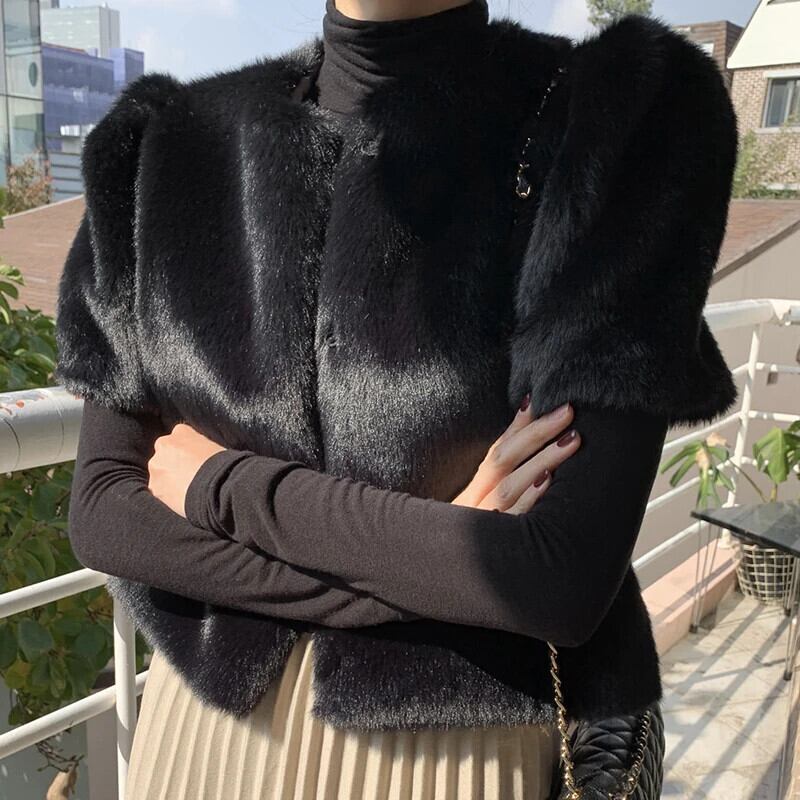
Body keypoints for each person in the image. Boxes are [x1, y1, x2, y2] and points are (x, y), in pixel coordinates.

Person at [55, 0, 738, 797]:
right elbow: (103, 511)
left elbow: (557, 578)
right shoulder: (164, 149)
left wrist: (221, 486)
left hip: (457, 759)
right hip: (202, 748)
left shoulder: (613, 117)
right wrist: (451, 553)